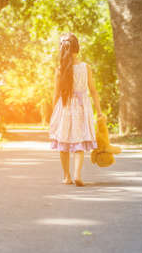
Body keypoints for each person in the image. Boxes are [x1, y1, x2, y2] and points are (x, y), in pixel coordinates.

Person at [49, 33, 104, 187]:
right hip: (82, 107)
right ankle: (77, 174)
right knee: (78, 140)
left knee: (63, 141)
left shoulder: (59, 69)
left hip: (65, 106)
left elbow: (56, 94)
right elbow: (93, 91)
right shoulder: (86, 67)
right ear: (77, 48)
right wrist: (99, 111)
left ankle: (67, 176)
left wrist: (54, 114)